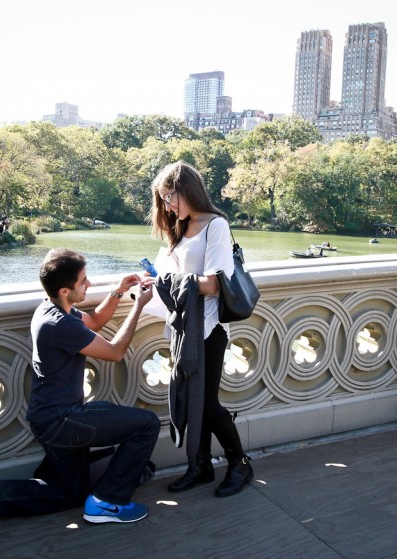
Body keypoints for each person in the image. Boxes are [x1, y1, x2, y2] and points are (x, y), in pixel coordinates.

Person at [0, 249, 160, 528]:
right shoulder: (59, 323)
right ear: (65, 290)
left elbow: (93, 322)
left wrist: (119, 291)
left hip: (49, 419)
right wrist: (138, 305)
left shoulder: (52, 308)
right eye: (84, 282)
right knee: (147, 424)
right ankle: (108, 501)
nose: (89, 285)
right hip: (63, 421)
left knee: (69, 493)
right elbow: (116, 352)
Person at [150, 161, 253, 498]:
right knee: (193, 401)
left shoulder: (215, 226)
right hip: (183, 328)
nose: (167, 206)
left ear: (187, 191)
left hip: (208, 329)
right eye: (164, 200)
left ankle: (239, 463)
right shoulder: (182, 226)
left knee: (206, 403)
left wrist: (171, 281)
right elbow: (179, 276)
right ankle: (201, 465)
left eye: (170, 198)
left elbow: (212, 285)